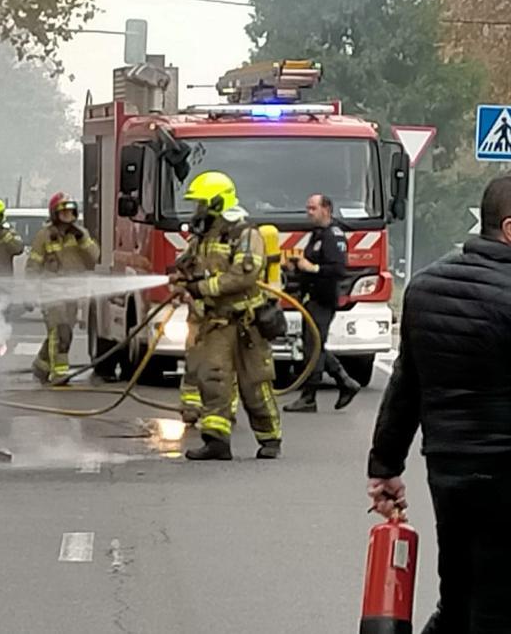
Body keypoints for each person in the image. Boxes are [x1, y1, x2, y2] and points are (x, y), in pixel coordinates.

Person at [367, 177, 511, 633]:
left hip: (449, 471)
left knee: (459, 597)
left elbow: (406, 386)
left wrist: (385, 466)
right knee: (495, 610)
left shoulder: (426, 289)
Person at [169, 171, 281, 461]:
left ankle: (270, 438)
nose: (198, 211)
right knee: (212, 379)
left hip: (247, 323)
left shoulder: (245, 235)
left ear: (218, 202)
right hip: (216, 322)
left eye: (202, 204)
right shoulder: (204, 237)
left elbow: (242, 277)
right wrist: (181, 277)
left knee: (254, 384)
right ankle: (217, 441)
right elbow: (189, 264)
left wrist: (201, 287)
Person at [283, 194, 361, 412]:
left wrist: (313, 268)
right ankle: (346, 382)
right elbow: (311, 264)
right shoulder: (317, 235)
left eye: (313, 208)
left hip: (325, 299)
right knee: (313, 344)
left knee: (314, 346)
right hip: (312, 298)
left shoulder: (333, 236)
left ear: (326, 209)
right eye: (307, 208)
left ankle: (309, 397)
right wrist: (296, 267)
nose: (309, 212)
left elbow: (338, 269)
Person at [27, 192, 99, 384]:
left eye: (71, 212)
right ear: (54, 214)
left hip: (72, 293)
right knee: (60, 332)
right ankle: (59, 373)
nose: (68, 217)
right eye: (63, 213)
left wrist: (82, 239)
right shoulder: (44, 236)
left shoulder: (80, 235)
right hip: (50, 293)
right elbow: (33, 266)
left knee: (63, 332)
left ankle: (41, 366)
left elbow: (94, 258)